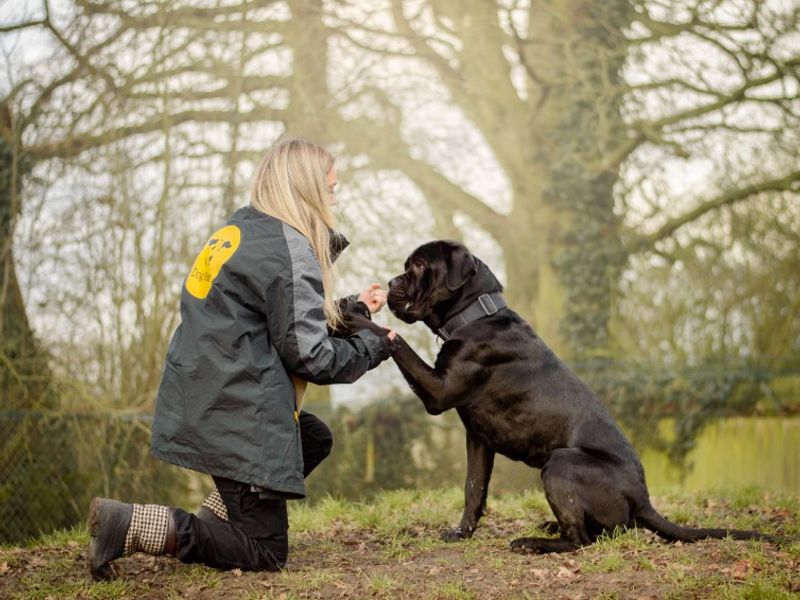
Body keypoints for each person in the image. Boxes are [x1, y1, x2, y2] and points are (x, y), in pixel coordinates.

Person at [87, 137, 396, 580]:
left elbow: (282, 319)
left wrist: (354, 308)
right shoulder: (289, 249)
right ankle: (132, 524)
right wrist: (373, 347)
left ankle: (219, 521)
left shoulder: (242, 230)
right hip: (238, 405)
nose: (334, 198)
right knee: (265, 552)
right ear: (306, 188)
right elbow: (310, 356)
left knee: (312, 438)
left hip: (208, 388)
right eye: (330, 188)